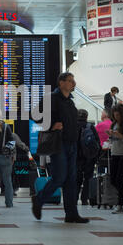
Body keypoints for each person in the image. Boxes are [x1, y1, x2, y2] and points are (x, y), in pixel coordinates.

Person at [31, 72, 89, 223]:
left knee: (71, 179)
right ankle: (39, 199)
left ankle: (72, 214)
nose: (73, 83)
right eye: (70, 81)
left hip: (72, 144)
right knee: (60, 177)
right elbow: (34, 115)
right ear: (61, 83)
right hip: (58, 143)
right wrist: (51, 125)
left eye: (73, 80)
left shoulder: (70, 102)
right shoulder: (51, 98)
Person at [76, 109, 100, 205]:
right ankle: (84, 199)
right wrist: (95, 156)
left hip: (76, 157)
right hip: (89, 157)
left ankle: (74, 198)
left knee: (76, 179)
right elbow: (97, 142)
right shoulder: (90, 126)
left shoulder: (73, 127)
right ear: (86, 116)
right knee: (88, 178)